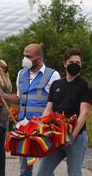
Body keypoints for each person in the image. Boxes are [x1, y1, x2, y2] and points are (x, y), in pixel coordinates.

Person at [0, 43, 60, 176]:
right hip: (23, 127)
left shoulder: (53, 75)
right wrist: (4, 96)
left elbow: (56, 103)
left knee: (46, 168)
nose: (25, 59)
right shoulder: (21, 74)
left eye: (28, 56)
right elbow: (19, 98)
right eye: (24, 55)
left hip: (42, 128)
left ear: (39, 58)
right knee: (24, 168)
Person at [36, 48, 92, 176]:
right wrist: (39, 128)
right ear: (65, 63)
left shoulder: (86, 85)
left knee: (74, 173)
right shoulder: (56, 84)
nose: (74, 65)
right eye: (71, 62)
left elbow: (84, 113)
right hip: (55, 136)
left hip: (76, 138)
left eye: (78, 62)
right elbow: (48, 110)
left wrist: (72, 136)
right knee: (42, 173)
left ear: (81, 64)